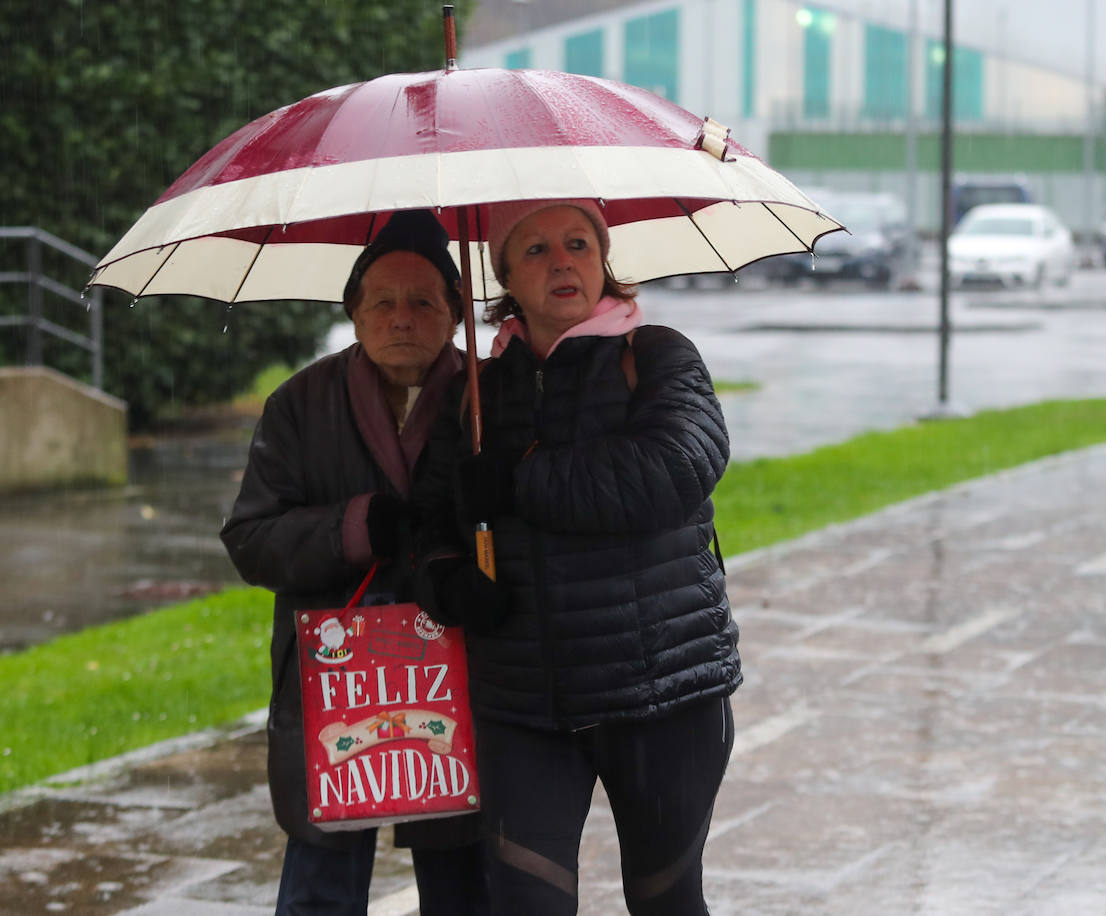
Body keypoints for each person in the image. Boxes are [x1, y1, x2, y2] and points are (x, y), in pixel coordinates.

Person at [413, 198, 741, 916]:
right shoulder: (475, 393)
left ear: (603, 260)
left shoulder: (654, 355)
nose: (562, 261)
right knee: (527, 906)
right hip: (524, 704)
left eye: (578, 244)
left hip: (663, 694)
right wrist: (446, 579)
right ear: (502, 273)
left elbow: (673, 469)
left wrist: (522, 479)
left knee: (666, 901)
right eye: (534, 250)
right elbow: (430, 519)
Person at [220, 210, 488, 916]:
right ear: (355, 314)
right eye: (384, 302)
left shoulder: (491, 399)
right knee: (322, 882)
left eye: (424, 301)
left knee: (464, 874)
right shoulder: (300, 405)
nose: (402, 318)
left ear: (457, 314)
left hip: (457, 675)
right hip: (336, 683)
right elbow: (251, 538)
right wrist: (357, 526)